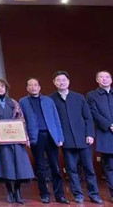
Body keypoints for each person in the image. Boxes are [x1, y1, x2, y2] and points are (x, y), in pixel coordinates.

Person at [50, 71, 102, 204]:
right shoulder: (51, 99)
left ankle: (94, 194)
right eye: (58, 80)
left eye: (64, 79)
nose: (61, 82)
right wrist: (58, 138)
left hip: (83, 139)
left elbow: (88, 117)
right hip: (65, 140)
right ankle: (78, 194)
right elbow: (52, 121)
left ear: (68, 81)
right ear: (54, 82)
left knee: (89, 168)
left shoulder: (79, 97)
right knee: (71, 170)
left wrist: (90, 134)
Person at [19, 78, 69, 204]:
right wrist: (25, 137)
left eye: (35, 85)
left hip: (51, 136)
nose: (33, 87)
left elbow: (56, 119)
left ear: (39, 87)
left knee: (55, 167)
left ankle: (59, 195)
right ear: (27, 88)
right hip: (36, 137)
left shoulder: (48, 101)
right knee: (40, 167)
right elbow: (22, 121)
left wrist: (60, 137)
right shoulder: (23, 102)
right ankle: (44, 194)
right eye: (30, 85)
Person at [0, 78, 34, 204]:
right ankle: (9, 192)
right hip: (0, 138)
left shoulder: (13, 102)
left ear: (6, 88)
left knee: (18, 165)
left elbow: (21, 119)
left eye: (2, 86)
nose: (0, 88)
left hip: (15, 137)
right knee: (5, 165)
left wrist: (25, 136)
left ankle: (18, 192)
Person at [87, 70, 113, 203]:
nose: (105, 79)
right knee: (110, 166)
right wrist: (109, 125)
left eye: (107, 77)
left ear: (111, 79)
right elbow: (94, 113)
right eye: (101, 77)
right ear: (97, 80)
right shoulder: (92, 95)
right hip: (106, 133)